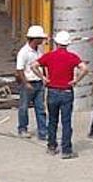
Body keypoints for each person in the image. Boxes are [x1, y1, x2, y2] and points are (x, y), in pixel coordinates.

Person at [31, 31, 89, 159]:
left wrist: (43, 78)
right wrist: (76, 80)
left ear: (56, 43)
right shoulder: (72, 57)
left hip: (52, 91)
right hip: (67, 92)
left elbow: (33, 65)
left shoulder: (49, 56)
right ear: (67, 44)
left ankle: (52, 146)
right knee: (66, 121)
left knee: (52, 120)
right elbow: (85, 69)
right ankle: (66, 150)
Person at [15, 25, 48, 139]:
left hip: (38, 82)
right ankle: (22, 128)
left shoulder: (39, 50)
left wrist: (44, 77)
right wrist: (26, 83)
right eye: (40, 38)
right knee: (23, 107)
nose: (42, 40)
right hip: (28, 82)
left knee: (40, 108)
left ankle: (43, 131)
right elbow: (19, 70)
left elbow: (42, 64)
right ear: (34, 38)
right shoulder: (23, 52)